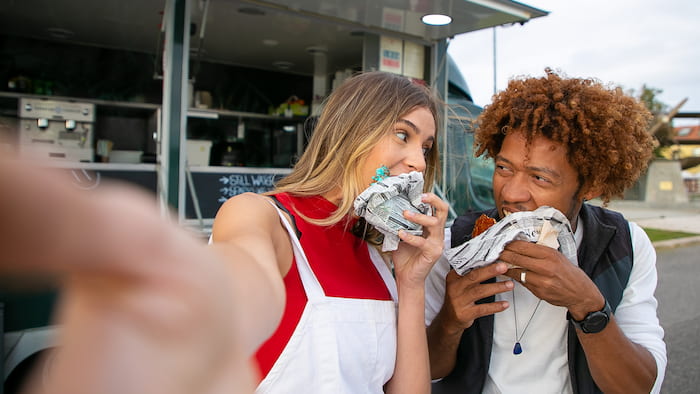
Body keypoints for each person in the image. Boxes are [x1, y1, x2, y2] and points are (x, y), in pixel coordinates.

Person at [0, 71, 448, 394]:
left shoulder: (380, 256)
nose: (418, 163)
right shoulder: (261, 217)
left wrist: (410, 284)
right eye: (401, 135)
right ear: (349, 132)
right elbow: (242, 279)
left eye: (425, 148)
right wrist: (178, 300)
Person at [425, 68, 666, 394]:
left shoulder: (625, 244)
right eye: (503, 168)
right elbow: (429, 370)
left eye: (539, 178)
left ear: (590, 185)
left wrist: (588, 305)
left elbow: (637, 387)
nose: (511, 193)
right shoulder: (457, 242)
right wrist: (451, 321)